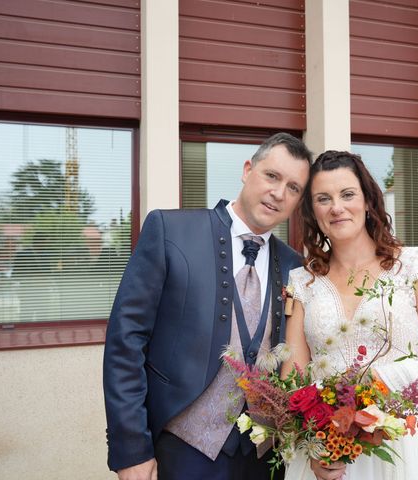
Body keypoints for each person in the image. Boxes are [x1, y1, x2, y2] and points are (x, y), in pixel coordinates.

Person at [103, 133, 312, 480]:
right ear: (248, 170)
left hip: (264, 457)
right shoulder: (171, 230)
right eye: (272, 176)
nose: (279, 193)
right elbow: (126, 343)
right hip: (182, 449)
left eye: (293, 188)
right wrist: (130, 450)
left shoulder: (295, 267)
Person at [281, 150, 418, 480]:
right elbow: (291, 381)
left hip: (405, 449)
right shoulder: (303, 281)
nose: (336, 207)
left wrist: (381, 382)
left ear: (368, 201)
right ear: (313, 212)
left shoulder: (416, 265)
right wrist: (312, 446)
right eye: (323, 199)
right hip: (329, 451)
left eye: (347, 194)